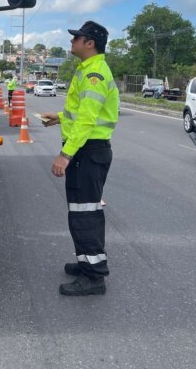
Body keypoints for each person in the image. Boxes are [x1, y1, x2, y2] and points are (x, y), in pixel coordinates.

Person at [40, 20, 119, 296]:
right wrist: (59, 118)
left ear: (90, 43)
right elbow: (82, 113)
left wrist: (65, 155)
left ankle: (94, 276)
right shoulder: (87, 70)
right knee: (81, 212)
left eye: (77, 38)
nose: (72, 42)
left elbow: (87, 120)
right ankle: (85, 262)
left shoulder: (94, 73)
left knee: (85, 214)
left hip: (87, 152)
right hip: (88, 151)